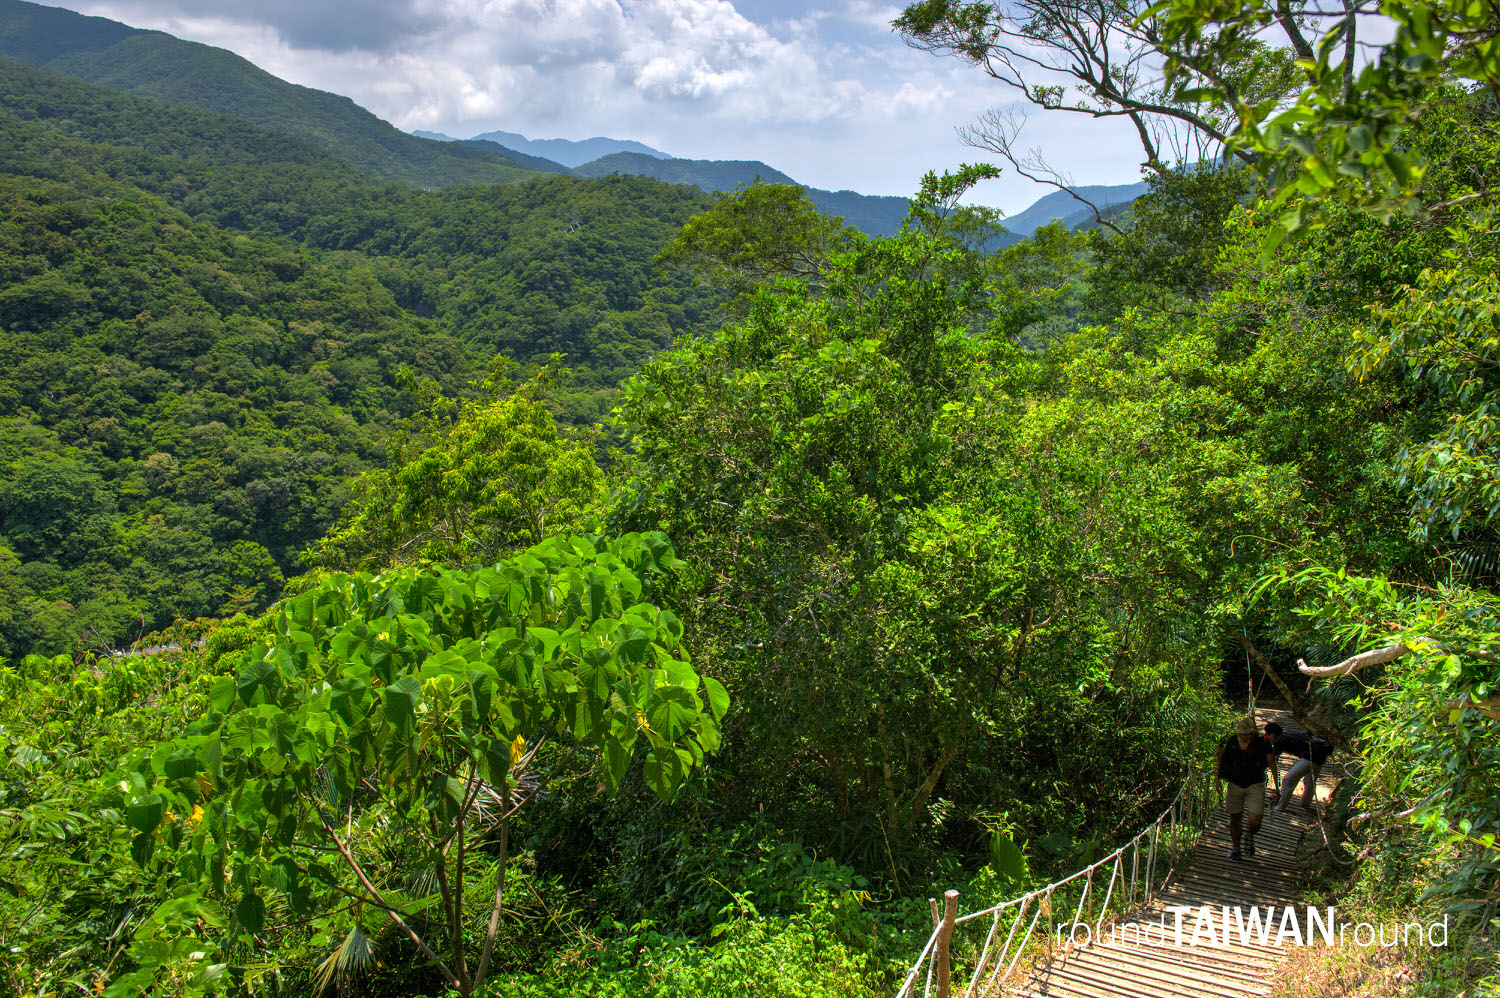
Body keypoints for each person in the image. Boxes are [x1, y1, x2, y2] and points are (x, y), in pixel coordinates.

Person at [1215, 716, 1279, 861]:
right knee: (1234, 819)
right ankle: (1236, 850)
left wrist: (1277, 787)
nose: (1244, 737)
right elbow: (1219, 757)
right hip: (1234, 783)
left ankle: (1249, 834)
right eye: (1242, 734)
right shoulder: (1230, 741)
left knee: (1255, 821)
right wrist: (1217, 778)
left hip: (1255, 784)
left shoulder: (1262, 742)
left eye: (1248, 734)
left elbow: (1272, 763)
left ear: (1253, 732)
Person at [1263, 721, 1334, 813]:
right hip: (1320, 757)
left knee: (1288, 780)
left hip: (1309, 759)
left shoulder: (1278, 741)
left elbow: (1274, 761)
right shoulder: (1288, 733)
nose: (1267, 738)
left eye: (1267, 735)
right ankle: (1305, 804)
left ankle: (1280, 807)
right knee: (1310, 781)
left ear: (1272, 734)